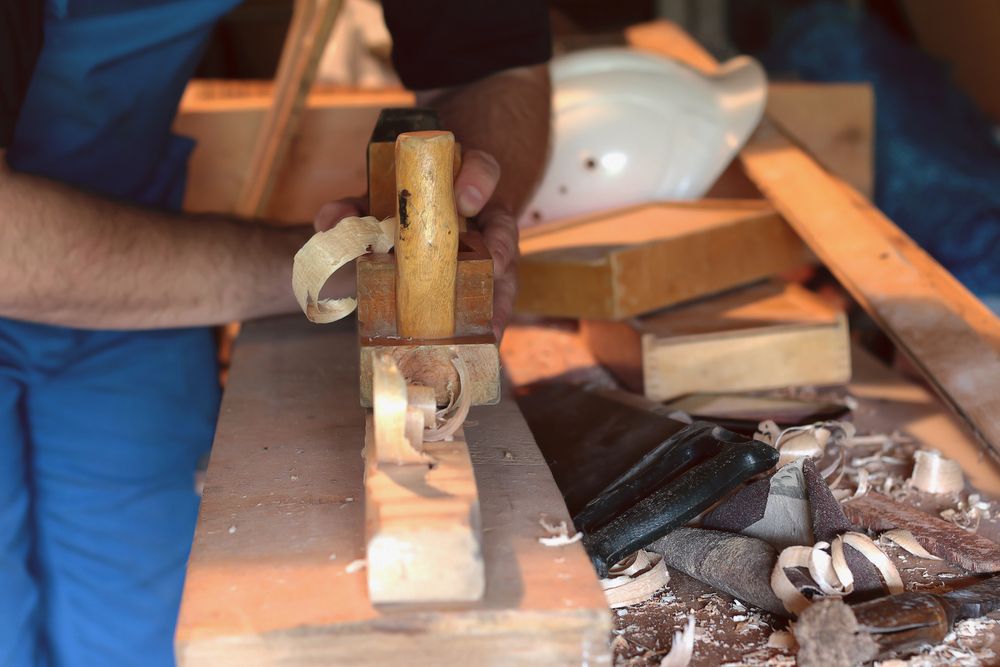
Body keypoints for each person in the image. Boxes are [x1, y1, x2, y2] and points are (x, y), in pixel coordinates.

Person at [0, 2, 551, 665]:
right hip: (69, 249)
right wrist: (326, 266)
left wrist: (463, 218)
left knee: (146, 620)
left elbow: (492, 62)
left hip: (132, 266)